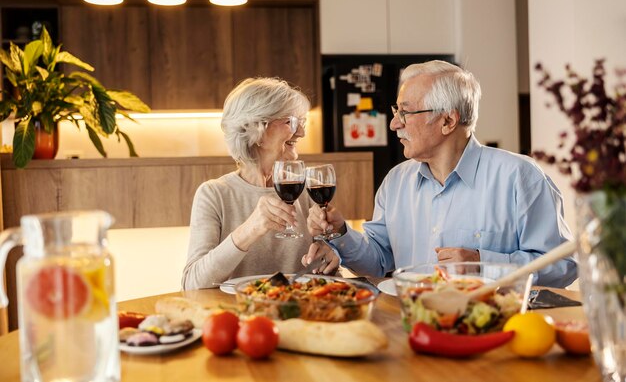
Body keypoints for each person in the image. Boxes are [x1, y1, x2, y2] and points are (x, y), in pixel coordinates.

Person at [306, 60, 577, 287]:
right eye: (395, 111)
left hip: (494, 330)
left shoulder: (520, 177)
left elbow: (563, 266)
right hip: (413, 327)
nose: (393, 123)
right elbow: (376, 261)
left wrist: (483, 265)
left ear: (448, 120)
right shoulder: (396, 182)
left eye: (406, 112)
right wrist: (341, 231)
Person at [182, 78, 331, 290]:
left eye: (302, 122)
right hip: (239, 316)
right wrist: (251, 228)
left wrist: (330, 258)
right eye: (291, 122)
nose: (302, 133)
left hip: (299, 314)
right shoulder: (214, 194)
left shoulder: (310, 190)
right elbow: (192, 283)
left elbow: (327, 274)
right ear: (256, 129)